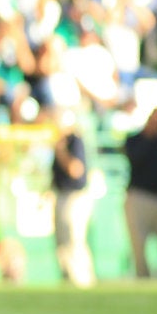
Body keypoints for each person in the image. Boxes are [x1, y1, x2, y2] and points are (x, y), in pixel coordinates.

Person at [122, 107, 157, 278]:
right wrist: (151, 137)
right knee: (139, 244)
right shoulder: (135, 139)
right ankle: (143, 278)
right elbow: (135, 158)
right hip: (139, 196)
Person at [50, 109, 95, 287]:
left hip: (75, 197)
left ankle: (82, 280)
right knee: (62, 243)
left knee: (75, 240)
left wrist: (61, 151)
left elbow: (75, 170)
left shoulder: (74, 141)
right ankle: (68, 279)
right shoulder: (61, 142)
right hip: (62, 195)